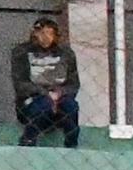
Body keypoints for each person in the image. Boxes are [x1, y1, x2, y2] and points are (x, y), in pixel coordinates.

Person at [13, 12, 83, 149]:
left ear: (55, 35)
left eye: (49, 33)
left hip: (60, 99)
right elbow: (20, 85)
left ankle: (71, 145)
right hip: (33, 101)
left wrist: (59, 94)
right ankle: (27, 141)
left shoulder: (66, 54)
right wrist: (45, 93)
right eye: (41, 33)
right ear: (34, 34)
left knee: (72, 107)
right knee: (43, 105)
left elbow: (74, 84)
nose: (45, 38)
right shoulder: (21, 52)